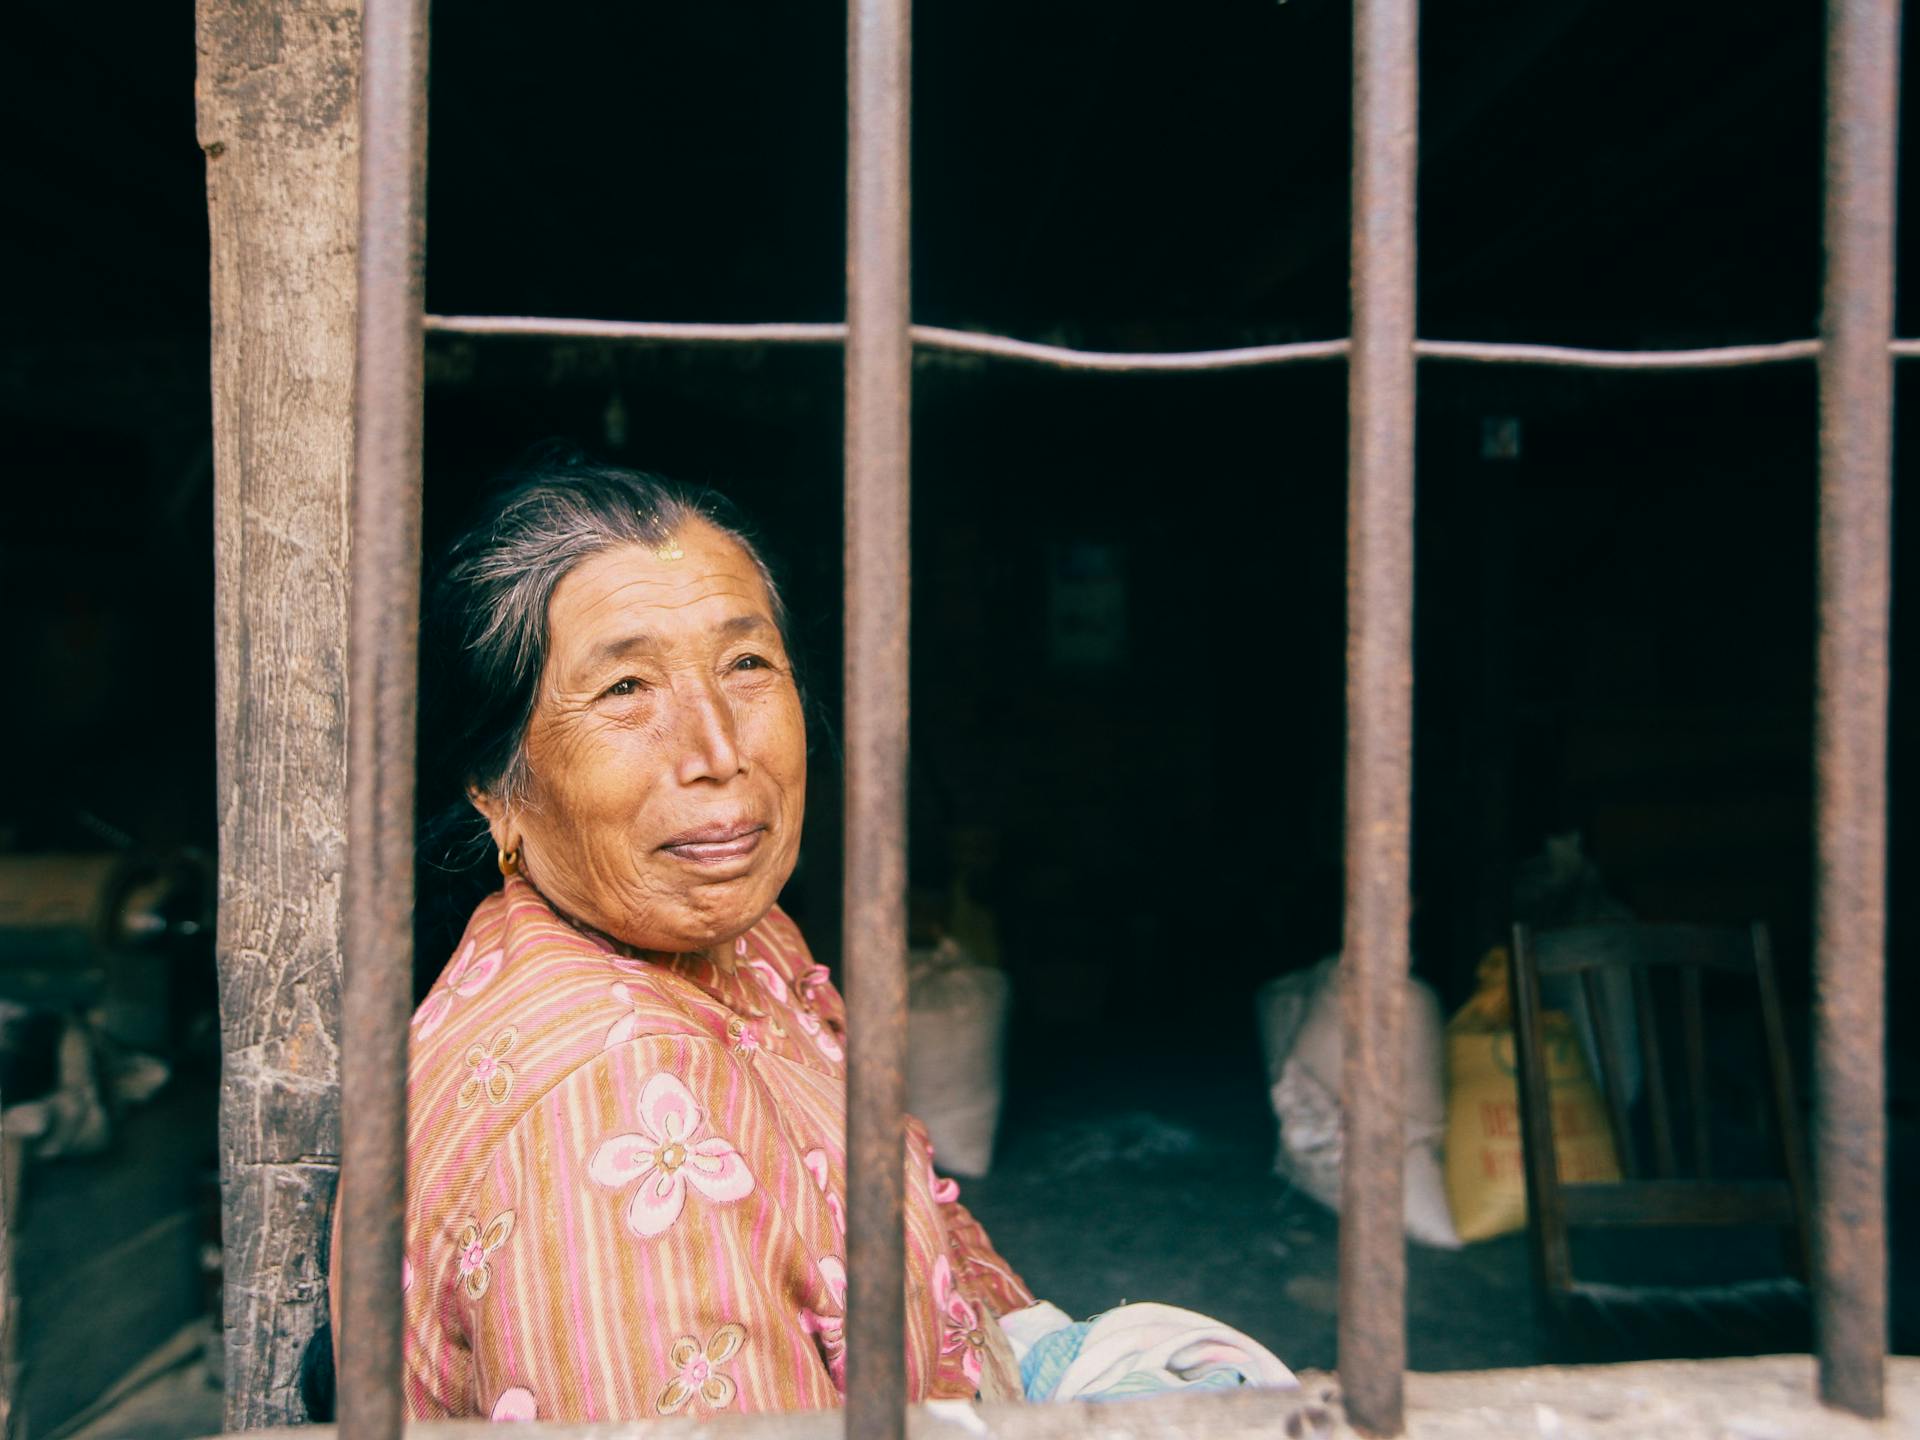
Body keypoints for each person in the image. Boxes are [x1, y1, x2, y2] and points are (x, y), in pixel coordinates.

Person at [340, 451, 1032, 1420]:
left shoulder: (747, 940)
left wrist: (1050, 1355)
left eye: (747, 664)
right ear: (497, 788)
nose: (717, 751)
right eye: (626, 688)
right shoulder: (615, 1104)